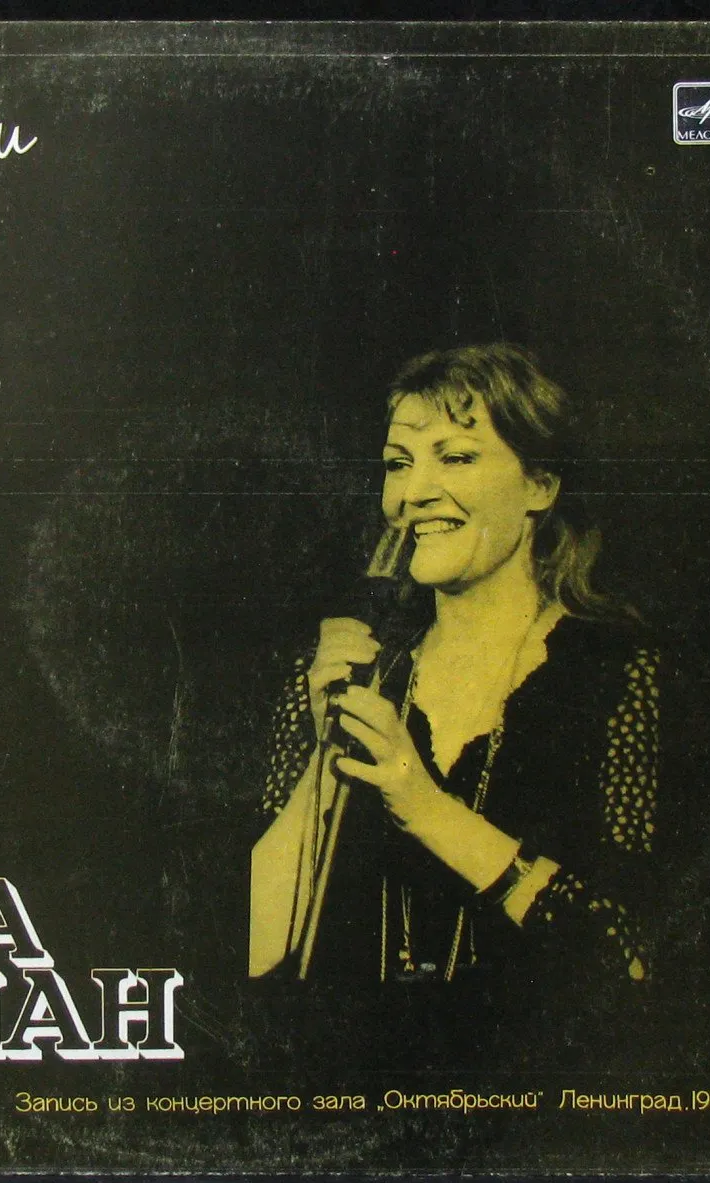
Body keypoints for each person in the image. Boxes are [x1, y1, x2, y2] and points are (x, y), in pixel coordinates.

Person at [248, 344, 662, 1065]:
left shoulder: (619, 672)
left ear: (539, 485)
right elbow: (255, 951)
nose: (413, 494)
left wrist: (425, 807)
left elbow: (629, 960)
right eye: (399, 464)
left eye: (457, 458)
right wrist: (323, 760)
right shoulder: (347, 672)